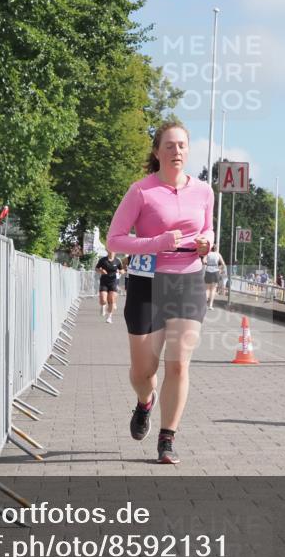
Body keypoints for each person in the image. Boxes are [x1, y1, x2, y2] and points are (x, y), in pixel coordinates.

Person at [107, 121, 213, 464]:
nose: (176, 151)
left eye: (182, 145)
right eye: (169, 145)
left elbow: (209, 230)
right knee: (143, 372)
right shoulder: (141, 191)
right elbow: (115, 240)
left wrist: (206, 243)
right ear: (157, 151)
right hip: (146, 282)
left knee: (179, 364)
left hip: (188, 281)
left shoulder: (204, 191)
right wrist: (158, 243)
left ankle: (167, 439)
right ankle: (144, 402)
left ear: (188, 150)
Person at [95, 251, 123, 323]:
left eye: (113, 251)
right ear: (108, 251)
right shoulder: (103, 260)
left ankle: (109, 317)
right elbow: (96, 268)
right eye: (110, 251)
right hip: (104, 282)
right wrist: (101, 270)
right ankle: (103, 306)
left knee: (112, 300)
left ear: (115, 252)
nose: (111, 252)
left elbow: (122, 270)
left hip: (113, 282)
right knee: (103, 300)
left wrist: (121, 271)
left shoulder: (117, 261)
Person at [203, 245, 226, 310]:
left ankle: (204, 304)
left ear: (210, 249)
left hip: (208, 271)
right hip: (216, 271)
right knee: (213, 289)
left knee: (207, 289)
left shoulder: (208, 254)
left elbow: (204, 261)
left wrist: (207, 263)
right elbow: (223, 264)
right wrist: (219, 268)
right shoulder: (218, 254)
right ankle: (210, 305)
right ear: (216, 249)